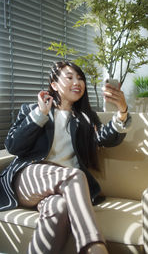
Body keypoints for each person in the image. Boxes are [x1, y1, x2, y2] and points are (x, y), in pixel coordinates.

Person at [0, 61, 131, 254]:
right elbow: (13, 145)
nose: (77, 82)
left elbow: (106, 138)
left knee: (59, 207)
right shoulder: (31, 110)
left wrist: (122, 112)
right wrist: (40, 114)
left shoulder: (85, 118)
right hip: (29, 180)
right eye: (69, 77)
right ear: (54, 84)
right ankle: (94, 248)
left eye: (80, 78)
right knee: (75, 175)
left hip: (61, 192)